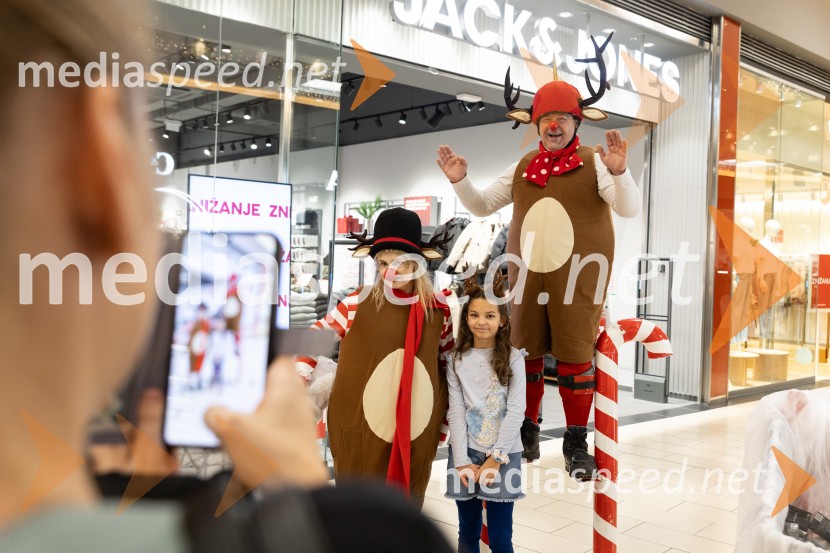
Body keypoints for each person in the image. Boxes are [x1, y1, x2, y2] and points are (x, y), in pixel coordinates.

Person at [0, 1, 453, 551]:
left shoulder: (435, 311)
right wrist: (303, 507)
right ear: (100, 164)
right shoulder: (374, 536)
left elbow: (442, 368)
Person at [436, 35, 640, 477]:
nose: (553, 126)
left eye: (561, 118)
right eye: (546, 118)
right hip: (526, 277)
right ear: (536, 122)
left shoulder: (596, 161)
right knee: (524, 354)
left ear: (575, 121)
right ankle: (527, 427)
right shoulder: (523, 165)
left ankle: (575, 441)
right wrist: (459, 182)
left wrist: (622, 173)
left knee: (575, 358)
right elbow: (482, 206)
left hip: (579, 279)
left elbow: (628, 208)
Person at [296, 207, 454, 506]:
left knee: (405, 507)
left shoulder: (438, 312)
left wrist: (448, 423)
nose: (390, 272)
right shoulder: (360, 301)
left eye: (400, 263)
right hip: (358, 425)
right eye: (383, 263)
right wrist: (299, 374)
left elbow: (447, 366)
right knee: (358, 510)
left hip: (415, 426)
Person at [445, 277, 525, 553]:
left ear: (502, 320)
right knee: (467, 530)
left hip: (504, 456)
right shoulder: (456, 360)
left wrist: (495, 459)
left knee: (501, 538)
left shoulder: (514, 358)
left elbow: (516, 411)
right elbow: (455, 411)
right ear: (465, 318)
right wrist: (462, 461)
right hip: (465, 453)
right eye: (474, 315)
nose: (481, 321)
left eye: (490, 315)